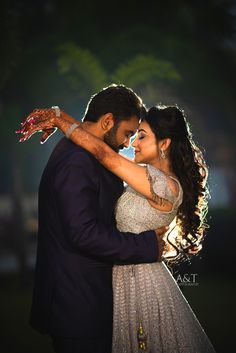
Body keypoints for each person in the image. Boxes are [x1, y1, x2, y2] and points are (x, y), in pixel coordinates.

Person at [18, 97, 216, 352]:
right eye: (131, 134)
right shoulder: (133, 176)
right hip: (106, 285)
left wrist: (59, 119)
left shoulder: (163, 185)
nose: (131, 142)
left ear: (164, 144)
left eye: (140, 135)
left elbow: (103, 154)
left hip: (142, 281)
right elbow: (97, 144)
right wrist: (59, 116)